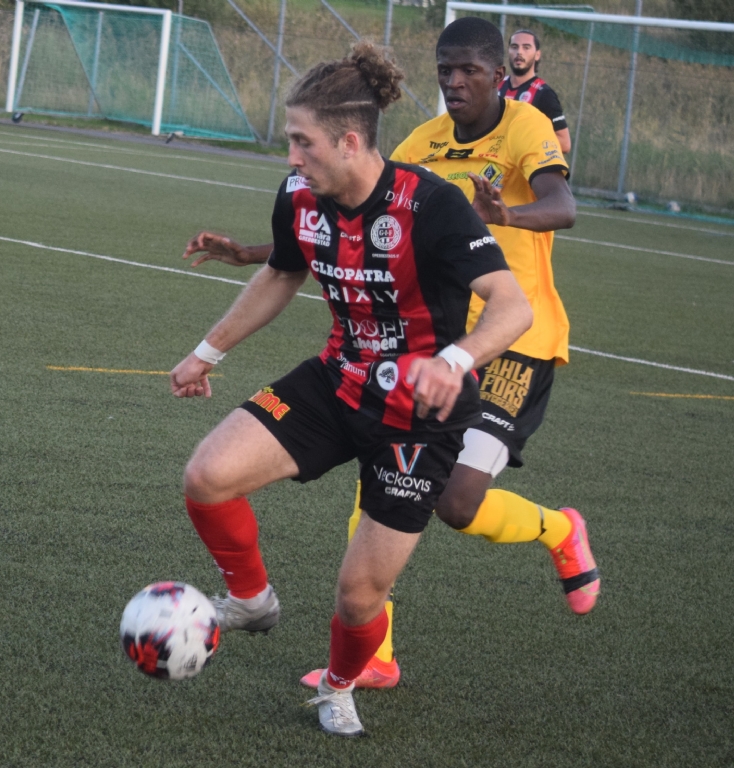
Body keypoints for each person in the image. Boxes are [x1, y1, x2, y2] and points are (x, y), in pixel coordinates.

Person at [182, 17, 599, 693]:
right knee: (375, 493)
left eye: (468, 69)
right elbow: (347, 208)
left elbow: (563, 205)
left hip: (515, 341)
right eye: (444, 70)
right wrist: (255, 255)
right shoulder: (418, 145)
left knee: (458, 500)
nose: (454, 81)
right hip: (414, 347)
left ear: (498, 74)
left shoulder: (525, 126)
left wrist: (504, 217)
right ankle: (372, 655)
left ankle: (558, 530)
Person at [499, 29, 571, 153]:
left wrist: (524, 138)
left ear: (537, 55)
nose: (519, 52)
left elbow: (564, 144)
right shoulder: (495, 86)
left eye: (526, 47)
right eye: (514, 47)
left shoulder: (544, 94)